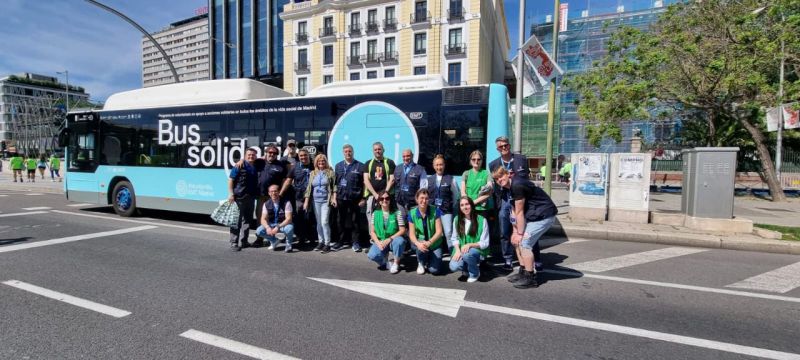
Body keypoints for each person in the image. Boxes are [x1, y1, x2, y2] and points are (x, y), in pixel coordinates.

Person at [492, 166, 557, 289]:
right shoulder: (507, 189)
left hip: (544, 215)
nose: (500, 179)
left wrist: (520, 234)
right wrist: (515, 232)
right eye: (497, 179)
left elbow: (520, 212)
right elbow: (513, 212)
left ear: (507, 174)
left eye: (501, 176)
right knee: (516, 242)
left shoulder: (517, 185)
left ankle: (531, 278)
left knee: (525, 243)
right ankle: (523, 271)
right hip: (533, 215)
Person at [489, 136, 533, 271]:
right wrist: (499, 203)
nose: (503, 148)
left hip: (520, 199)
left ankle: (530, 259)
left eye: (505, 145)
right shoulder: (494, 164)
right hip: (505, 200)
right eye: (500, 147)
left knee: (524, 230)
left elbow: (527, 179)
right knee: (505, 231)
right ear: (497, 149)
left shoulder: (521, 159)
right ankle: (508, 259)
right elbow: (496, 187)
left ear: (509, 145)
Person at [241, 145, 291, 247]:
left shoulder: (280, 166)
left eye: (274, 153)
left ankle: (271, 238)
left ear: (277, 155)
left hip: (274, 198)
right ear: (266, 153)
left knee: (272, 218)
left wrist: (281, 193)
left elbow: (285, 181)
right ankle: (259, 239)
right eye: (269, 152)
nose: (271, 154)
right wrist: (241, 160)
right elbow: (248, 160)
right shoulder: (259, 162)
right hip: (261, 196)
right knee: (261, 218)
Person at [449, 196, 490, 283]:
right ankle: (467, 269)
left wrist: (470, 245)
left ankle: (475, 273)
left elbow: (485, 243)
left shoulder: (482, 220)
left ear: (471, 205)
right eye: (462, 205)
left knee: (467, 255)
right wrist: (457, 250)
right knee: (453, 266)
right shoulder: (457, 219)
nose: (465, 207)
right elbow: (454, 238)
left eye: (467, 204)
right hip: (462, 250)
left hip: (477, 251)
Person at [333, 144, 365, 252]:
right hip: (341, 198)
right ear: (343, 153)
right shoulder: (338, 166)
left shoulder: (360, 166)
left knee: (355, 221)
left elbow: (364, 184)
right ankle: (340, 241)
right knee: (340, 220)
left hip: (355, 199)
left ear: (353, 152)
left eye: (350, 151)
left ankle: (355, 242)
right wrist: (334, 197)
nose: (348, 153)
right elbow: (335, 183)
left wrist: (363, 198)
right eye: (346, 151)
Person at [366, 191, 407, 273]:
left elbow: (403, 230)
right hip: (381, 241)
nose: (384, 200)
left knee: (400, 241)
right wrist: (377, 242)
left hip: (393, 240)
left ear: (390, 200)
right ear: (379, 201)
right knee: (372, 255)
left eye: (387, 198)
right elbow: (372, 232)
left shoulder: (397, 213)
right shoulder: (375, 214)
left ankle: (396, 263)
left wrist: (389, 239)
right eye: (382, 198)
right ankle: (386, 263)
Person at [227, 148, 259, 252]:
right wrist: (231, 194)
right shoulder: (239, 165)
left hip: (251, 198)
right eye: (249, 155)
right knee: (236, 221)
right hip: (239, 197)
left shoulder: (255, 166)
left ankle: (244, 241)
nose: (251, 156)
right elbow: (231, 180)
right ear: (245, 156)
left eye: (253, 155)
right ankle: (234, 242)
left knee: (247, 221)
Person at [407, 188, 444, 275]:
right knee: (419, 245)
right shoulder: (412, 213)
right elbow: (411, 234)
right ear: (417, 199)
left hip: (434, 243)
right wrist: (418, 243)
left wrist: (430, 242)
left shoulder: (435, 211)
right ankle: (421, 262)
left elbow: (439, 231)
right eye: (421, 198)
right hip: (421, 242)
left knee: (434, 271)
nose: (424, 201)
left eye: (426, 198)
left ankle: (429, 259)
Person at [427, 155, 458, 254]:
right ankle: (435, 252)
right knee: (433, 233)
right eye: (437, 165)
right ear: (433, 166)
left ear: (444, 165)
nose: (439, 167)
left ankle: (452, 253)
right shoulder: (429, 180)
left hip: (446, 210)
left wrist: (450, 206)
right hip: (433, 211)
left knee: (448, 232)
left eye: (441, 164)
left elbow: (456, 195)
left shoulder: (450, 179)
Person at [305, 153, 336, 253]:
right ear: (316, 163)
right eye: (319, 161)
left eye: (323, 161)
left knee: (324, 222)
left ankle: (327, 243)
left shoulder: (330, 172)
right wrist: (306, 201)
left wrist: (333, 198)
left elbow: (334, 187)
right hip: (315, 201)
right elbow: (309, 187)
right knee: (318, 223)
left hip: (325, 201)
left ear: (325, 162)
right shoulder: (313, 173)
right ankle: (321, 242)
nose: (321, 163)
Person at [362, 142, 396, 219]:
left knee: (387, 216)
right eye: (375, 149)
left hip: (386, 197)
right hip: (372, 196)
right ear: (373, 151)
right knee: (371, 218)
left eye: (379, 149)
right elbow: (366, 180)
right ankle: (372, 232)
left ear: (383, 150)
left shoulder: (389, 162)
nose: (377, 151)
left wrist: (385, 193)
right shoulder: (368, 163)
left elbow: (392, 179)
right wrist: (375, 195)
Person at [257, 184, 295, 252]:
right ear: (269, 193)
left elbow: (289, 219)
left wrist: (278, 227)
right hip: (272, 224)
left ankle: (289, 244)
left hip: (283, 224)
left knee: (289, 228)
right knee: (259, 231)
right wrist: (267, 227)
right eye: (271, 191)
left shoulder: (286, 202)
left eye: (275, 191)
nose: (273, 193)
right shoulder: (266, 204)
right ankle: (274, 240)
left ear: (279, 191)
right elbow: (263, 219)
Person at [289, 149, 315, 245]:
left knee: (311, 218)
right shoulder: (295, 167)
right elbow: (288, 180)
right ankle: (301, 238)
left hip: (313, 197)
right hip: (299, 197)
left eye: (305, 155)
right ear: (298, 157)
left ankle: (312, 238)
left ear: (308, 155)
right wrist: (281, 193)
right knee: (300, 218)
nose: (303, 157)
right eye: (301, 156)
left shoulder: (314, 165)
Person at [461, 150, 494, 221]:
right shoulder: (466, 174)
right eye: (474, 159)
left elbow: (489, 192)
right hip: (468, 208)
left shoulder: (486, 174)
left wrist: (474, 202)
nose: (476, 161)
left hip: (482, 209)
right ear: (470, 161)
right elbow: (463, 192)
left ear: (482, 161)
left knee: (482, 229)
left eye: (479, 159)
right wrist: (468, 203)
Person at [393, 149, 427, 216]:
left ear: (412, 156)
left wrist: (420, 201)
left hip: (414, 205)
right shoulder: (397, 168)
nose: (405, 158)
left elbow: (423, 188)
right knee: (401, 224)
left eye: (408, 156)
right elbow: (395, 184)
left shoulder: (420, 169)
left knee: (413, 225)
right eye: (404, 156)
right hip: (400, 204)